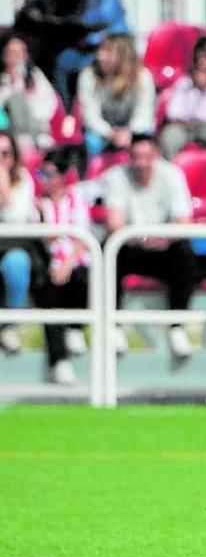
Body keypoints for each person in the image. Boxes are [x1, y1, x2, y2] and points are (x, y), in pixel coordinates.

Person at [102, 133, 197, 358]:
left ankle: (177, 326)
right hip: (130, 249)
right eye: (136, 157)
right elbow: (114, 224)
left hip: (165, 250)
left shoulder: (173, 175)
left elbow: (184, 222)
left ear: (157, 155)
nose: (141, 163)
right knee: (109, 251)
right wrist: (145, 239)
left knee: (185, 253)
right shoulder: (116, 177)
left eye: (146, 156)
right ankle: (113, 326)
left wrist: (163, 239)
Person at [14, 0, 129, 108]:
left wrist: (62, 22)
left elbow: (102, 18)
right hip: (76, 51)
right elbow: (37, 8)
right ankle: (63, 116)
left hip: (105, 46)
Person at [31, 146, 91, 384]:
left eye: (49, 175)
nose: (44, 181)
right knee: (47, 289)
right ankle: (59, 360)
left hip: (75, 263)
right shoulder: (37, 204)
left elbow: (82, 239)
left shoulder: (77, 198)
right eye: (41, 174)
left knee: (82, 276)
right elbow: (42, 239)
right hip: (49, 265)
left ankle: (76, 328)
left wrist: (66, 263)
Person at [76, 32, 156, 159]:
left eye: (107, 52)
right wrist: (110, 133)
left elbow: (144, 112)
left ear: (122, 55)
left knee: (145, 135)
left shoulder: (143, 76)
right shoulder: (89, 76)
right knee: (92, 140)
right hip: (103, 131)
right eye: (100, 51)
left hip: (133, 129)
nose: (99, 56)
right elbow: (90, 115)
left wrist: (129, 133)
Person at [0, 129, 37, 356]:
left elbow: (17, 215)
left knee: (17, 262)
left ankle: (10, 326)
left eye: (6, 153)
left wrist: (3, 188)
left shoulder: (23, 179)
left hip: (11, 247)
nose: (1, 159)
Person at [0, 33, 59, 156]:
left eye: (19, 53)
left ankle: (36, 138)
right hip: (9, 129)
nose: (15, 58)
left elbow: (49, 102)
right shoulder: (3, 79)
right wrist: (12, 86)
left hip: (36, 125)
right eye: (11, 53)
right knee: (16, 99)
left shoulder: (35, 75)